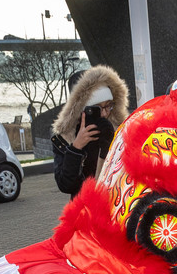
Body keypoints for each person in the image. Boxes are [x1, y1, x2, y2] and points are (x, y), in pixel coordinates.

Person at [50, 65, 129, 198]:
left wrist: (110, 145)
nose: (104, 113)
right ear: (83, 109)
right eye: (98, 108)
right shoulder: (65, 137)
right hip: (84, 212)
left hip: (118, 207)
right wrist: (76, 148)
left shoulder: (121, 129)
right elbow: (66, 185)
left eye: (109, 106)